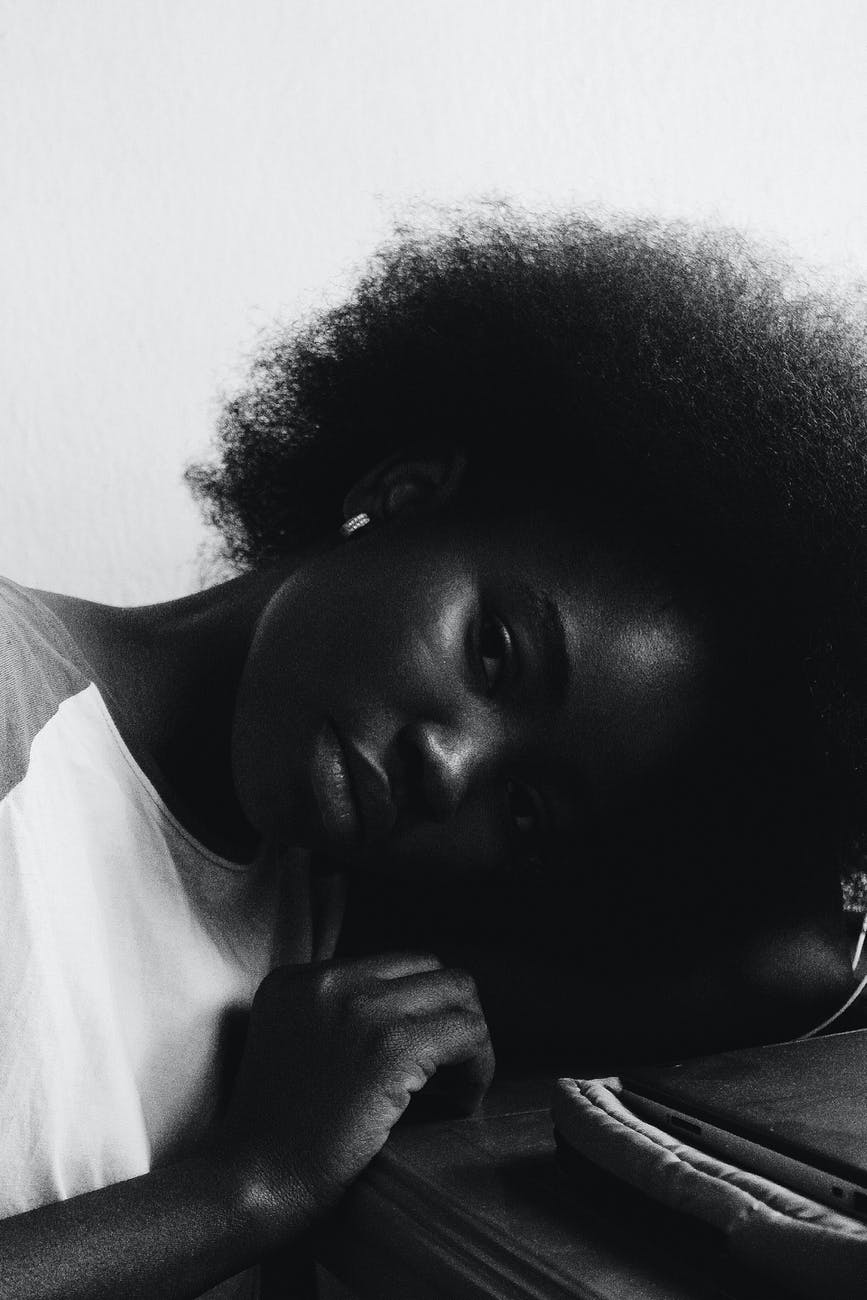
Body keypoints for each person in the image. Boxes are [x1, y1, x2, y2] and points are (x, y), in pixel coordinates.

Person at [1, 206, 866, 1297]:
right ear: (400, 496)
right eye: (496, 654)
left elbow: (784, 966)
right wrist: (252, 1186)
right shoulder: (16, 695)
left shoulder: (324, 950)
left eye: (527, 808)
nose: (453, 770)